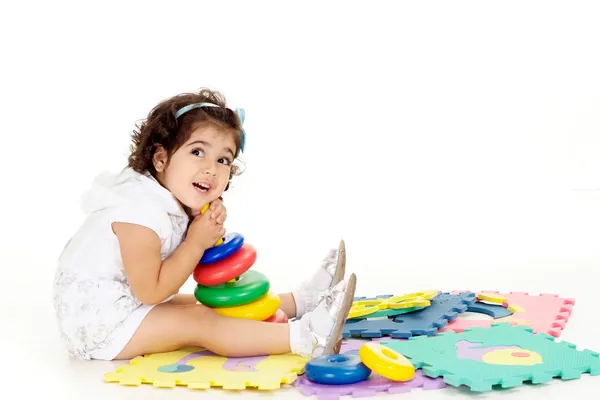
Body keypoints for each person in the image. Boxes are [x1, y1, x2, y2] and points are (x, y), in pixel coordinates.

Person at [52, 88, 357, 362]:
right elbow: (151, 291)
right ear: (160, 158)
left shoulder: (173, 200)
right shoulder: (137, 211)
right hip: (99, 323)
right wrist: (195, 241)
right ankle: (308, 339)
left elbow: (189, 266)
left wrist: (204, 231)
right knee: (200, 323)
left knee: (206, 305)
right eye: (197, 152)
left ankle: (301, 301)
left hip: (124, 301)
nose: (211, 169)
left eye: (223, 160)